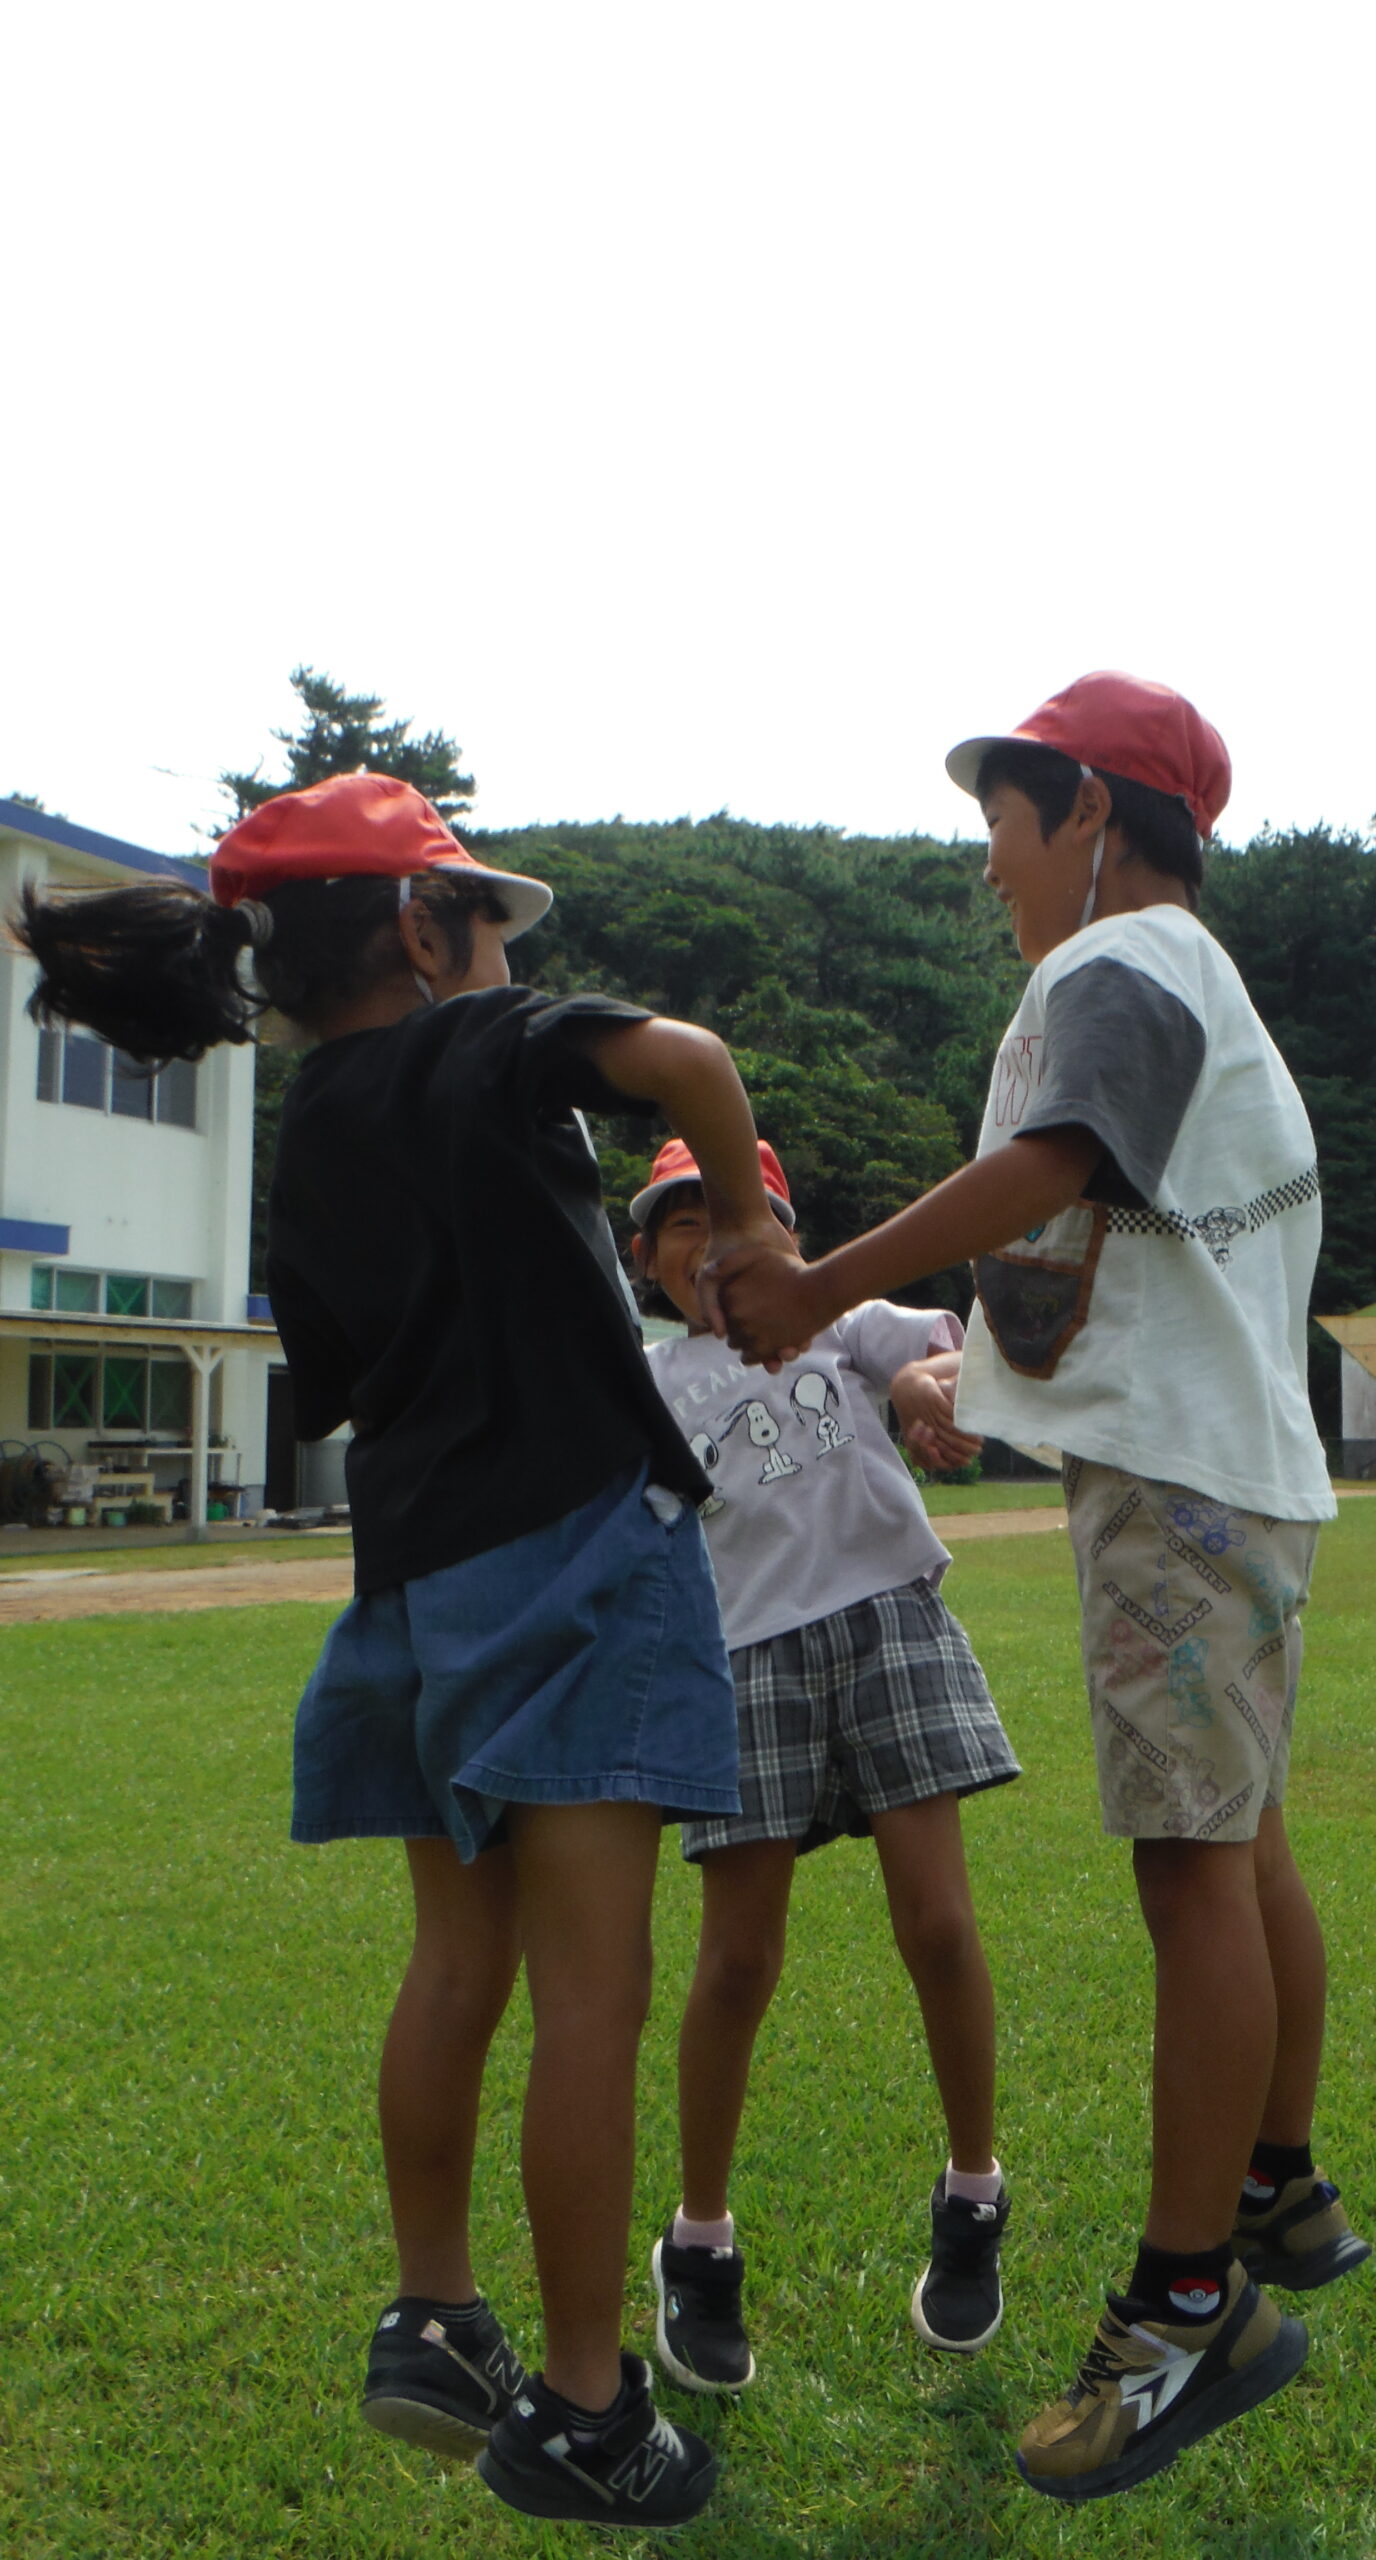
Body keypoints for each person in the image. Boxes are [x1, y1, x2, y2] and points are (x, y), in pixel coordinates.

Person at [13, 769, 796, 2534]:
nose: (496, 956)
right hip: (584, 1556)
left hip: (418, 1592)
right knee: (594, 1993)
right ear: (426, 931)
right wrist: (743, 1224)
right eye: (482, 930)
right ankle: (592, 2408)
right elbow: (685, 1062)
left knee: (461, 1972)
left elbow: (343, 1377)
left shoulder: (318, 1131)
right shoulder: (484, 1044)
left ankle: (436, 2314)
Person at [707, 672, 1369, 2504]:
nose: (986, 862)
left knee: (1190, 1867)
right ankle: (1275, 2185)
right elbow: (1103, 1257)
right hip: (1221, 1473)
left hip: (1182, 1491)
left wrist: (819, 1278)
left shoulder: (1116, 972)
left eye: (1003, 820)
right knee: (1240, 1847)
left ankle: (1185, 2316)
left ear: (1087, 811)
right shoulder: (1183, 989)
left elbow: (1048, 1177)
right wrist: (953, 1383)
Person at [630, 1135, 1019, 2394]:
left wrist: (922, 1389)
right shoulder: (647, 1377)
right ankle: (699, 2244)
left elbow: (934, 1355)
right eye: (678, 1223)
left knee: (942, 1925)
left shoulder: (841, 1317)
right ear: (643, 1257)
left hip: (889, 1619)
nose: (710, 1243)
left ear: (790, 1238)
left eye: (734, 1216)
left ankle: (972, 2197)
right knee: (738, 1959)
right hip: (743, 1662)